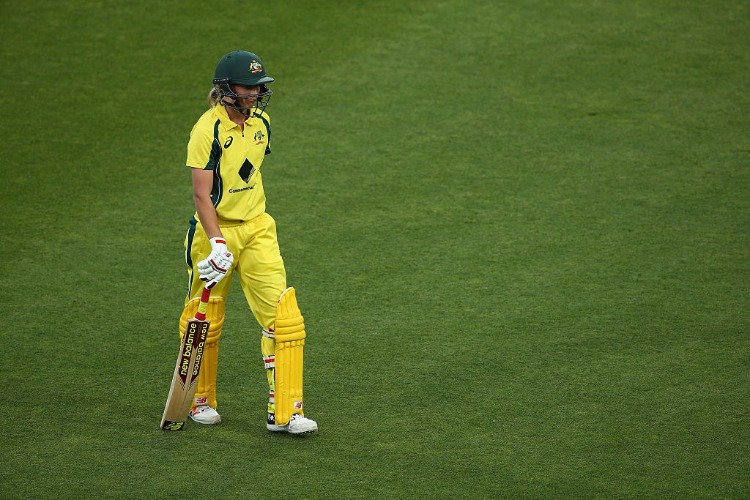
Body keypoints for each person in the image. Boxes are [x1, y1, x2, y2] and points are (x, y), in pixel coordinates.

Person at [177, 49, 317, 434]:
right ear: (225, 89)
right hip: (214, 234)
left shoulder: (262, 124)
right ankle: (199, 400)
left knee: (284, 318)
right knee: (205, 319)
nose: (255, 94)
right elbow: (202, 195)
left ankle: (287, 411)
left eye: (259, 87)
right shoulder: (207, 130)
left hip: (257, 228)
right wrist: (218, 243)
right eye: (247, 87)